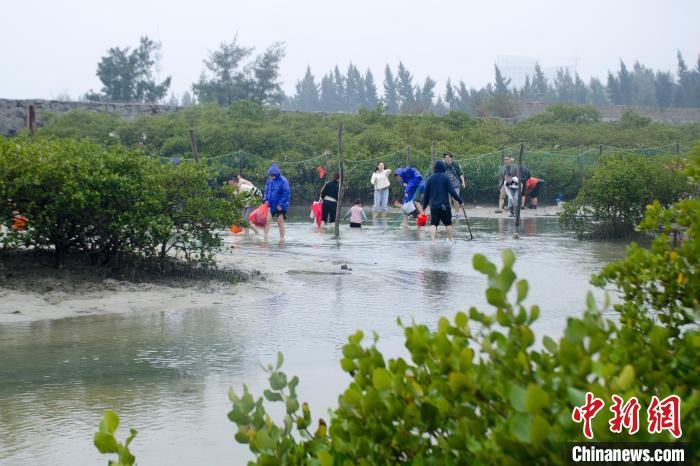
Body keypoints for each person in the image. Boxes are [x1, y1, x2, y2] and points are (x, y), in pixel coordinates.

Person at [421, 160, 464, 242]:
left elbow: (426, 194)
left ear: (435, 168)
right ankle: (451, 241)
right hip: (445, 206)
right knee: (448, 223)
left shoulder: (430, 179)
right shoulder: (446, 177)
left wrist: (424, 207)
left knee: (433, 224)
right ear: (443, 168)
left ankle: (433, 241)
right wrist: (460, 201)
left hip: (434, 206)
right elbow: (452, 191)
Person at [262, 163, 291, 241]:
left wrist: (281, 204)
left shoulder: (283, 180)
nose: (272, 177)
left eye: (273, 175)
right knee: (267, 221)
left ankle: (282, 239)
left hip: (280, 205)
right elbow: (266, 190)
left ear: (277, 174)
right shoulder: (269, 180)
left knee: (280, 222)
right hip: (271, 205)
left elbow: (286, 192)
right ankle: (265, 238)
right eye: (270, 175)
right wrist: (266, 200)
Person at [443, 153, 466, 219]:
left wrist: (463, 182)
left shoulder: (456, 165)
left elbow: (460, 174)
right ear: (444, 159)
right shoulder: (443, 165)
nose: (447, 158)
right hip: (446, 185)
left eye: (449, 157)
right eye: (446, 157)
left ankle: (457, 213)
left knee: (455, 198)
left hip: (456, 184)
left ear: (451, 158)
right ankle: (448, 213)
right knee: (447, 199)